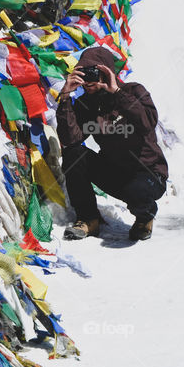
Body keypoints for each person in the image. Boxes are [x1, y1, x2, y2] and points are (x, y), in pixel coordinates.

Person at [55, 47, 168, 241]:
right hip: (116, 173)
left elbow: (147, 122)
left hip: (149, 174)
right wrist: (65, 98)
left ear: (107, 71)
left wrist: (116, 92)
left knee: (137, 191)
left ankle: (145, 217)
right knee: (74, 154)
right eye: (84, 72)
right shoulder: (86, 103)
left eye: (94, 73)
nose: (89, 80)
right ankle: (89, 219)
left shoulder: (132, 91)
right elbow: (70, 140)